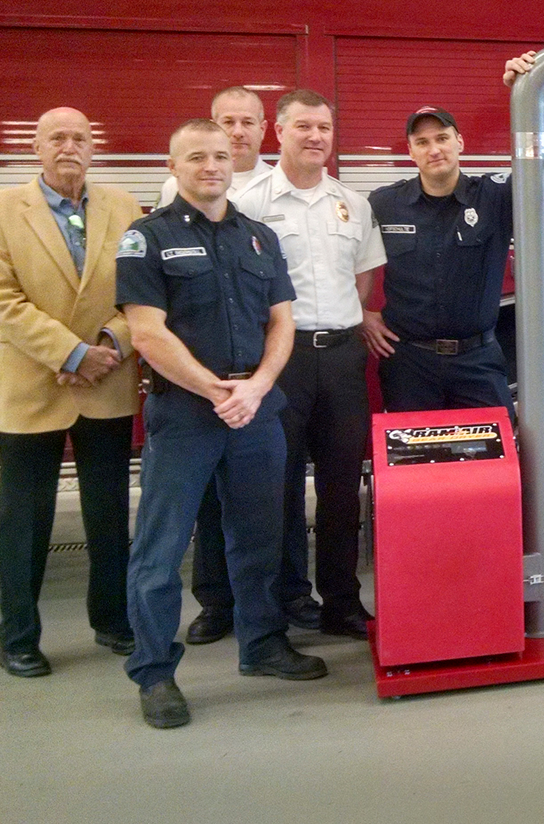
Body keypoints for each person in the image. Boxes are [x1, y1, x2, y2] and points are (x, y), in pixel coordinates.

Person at [117, 119, 326, 729]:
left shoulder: (258, 237)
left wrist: (257, 387)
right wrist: (215, 390)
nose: (211, 165)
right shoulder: (145, 238)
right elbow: (146, 332)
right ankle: (154, 673)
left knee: (260, 536)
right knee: (160, 548)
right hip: (186, 413)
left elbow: (282, 321)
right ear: (173, 164)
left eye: (219, 155)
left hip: (256, 409)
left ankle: (262, 645)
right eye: (196, 156)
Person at [0, 107, 142, 677]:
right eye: (57, 138)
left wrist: (109, 345)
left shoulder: (124, 208)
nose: (69, 147)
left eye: (79, 138)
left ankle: (113, 621)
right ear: (37, 149)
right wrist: (71, 354)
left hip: (108, 381)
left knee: (109, 511)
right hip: (33, 386)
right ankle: (17, 636)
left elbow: (141, 295)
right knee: (24, 518)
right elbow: (3, 301)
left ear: (93, 148)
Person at [213, 89, 386, 641]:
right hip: (279, 362)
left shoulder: (352, 204)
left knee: (341, 486)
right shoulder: (250, 202)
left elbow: (363, 278)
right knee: (275, 486)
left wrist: (348, 321)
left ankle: (341, 601)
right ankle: (284, 601)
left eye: (325, 129)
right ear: (279, 133)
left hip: (339, 359)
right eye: (304, 127)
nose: (316, 137)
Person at [164, 86, 281, 643]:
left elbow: (282, 308)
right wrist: (216, 389)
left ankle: (269, 628)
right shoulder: (167, 210)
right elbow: (152, 322)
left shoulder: (279, 199)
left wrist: (256, 387)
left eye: (247, 123)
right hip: (199, 389)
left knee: (262, 512)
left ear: (264, 129)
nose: (233, 137)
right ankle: (213, 607)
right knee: (200, 511)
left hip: (264, 377)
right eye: (225, 124)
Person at [364, 103, 515, 411]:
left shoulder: (496, 196)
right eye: (422, 142)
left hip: (477, 362)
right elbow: (344, 257)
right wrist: (358, 314)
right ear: (410, 152)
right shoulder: (384, 203)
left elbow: (541, 162)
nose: (434, 149)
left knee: (492, 456)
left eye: (442, 138)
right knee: (414, 459)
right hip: (409, 366)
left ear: (459, 142)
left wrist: (524, 82)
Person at [156, 86, 272, 207]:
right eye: (228, 122)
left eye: (248, 122)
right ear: (213, 128)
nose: (238, 132)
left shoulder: (278, 186)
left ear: (262, 129)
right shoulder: (176, 186)